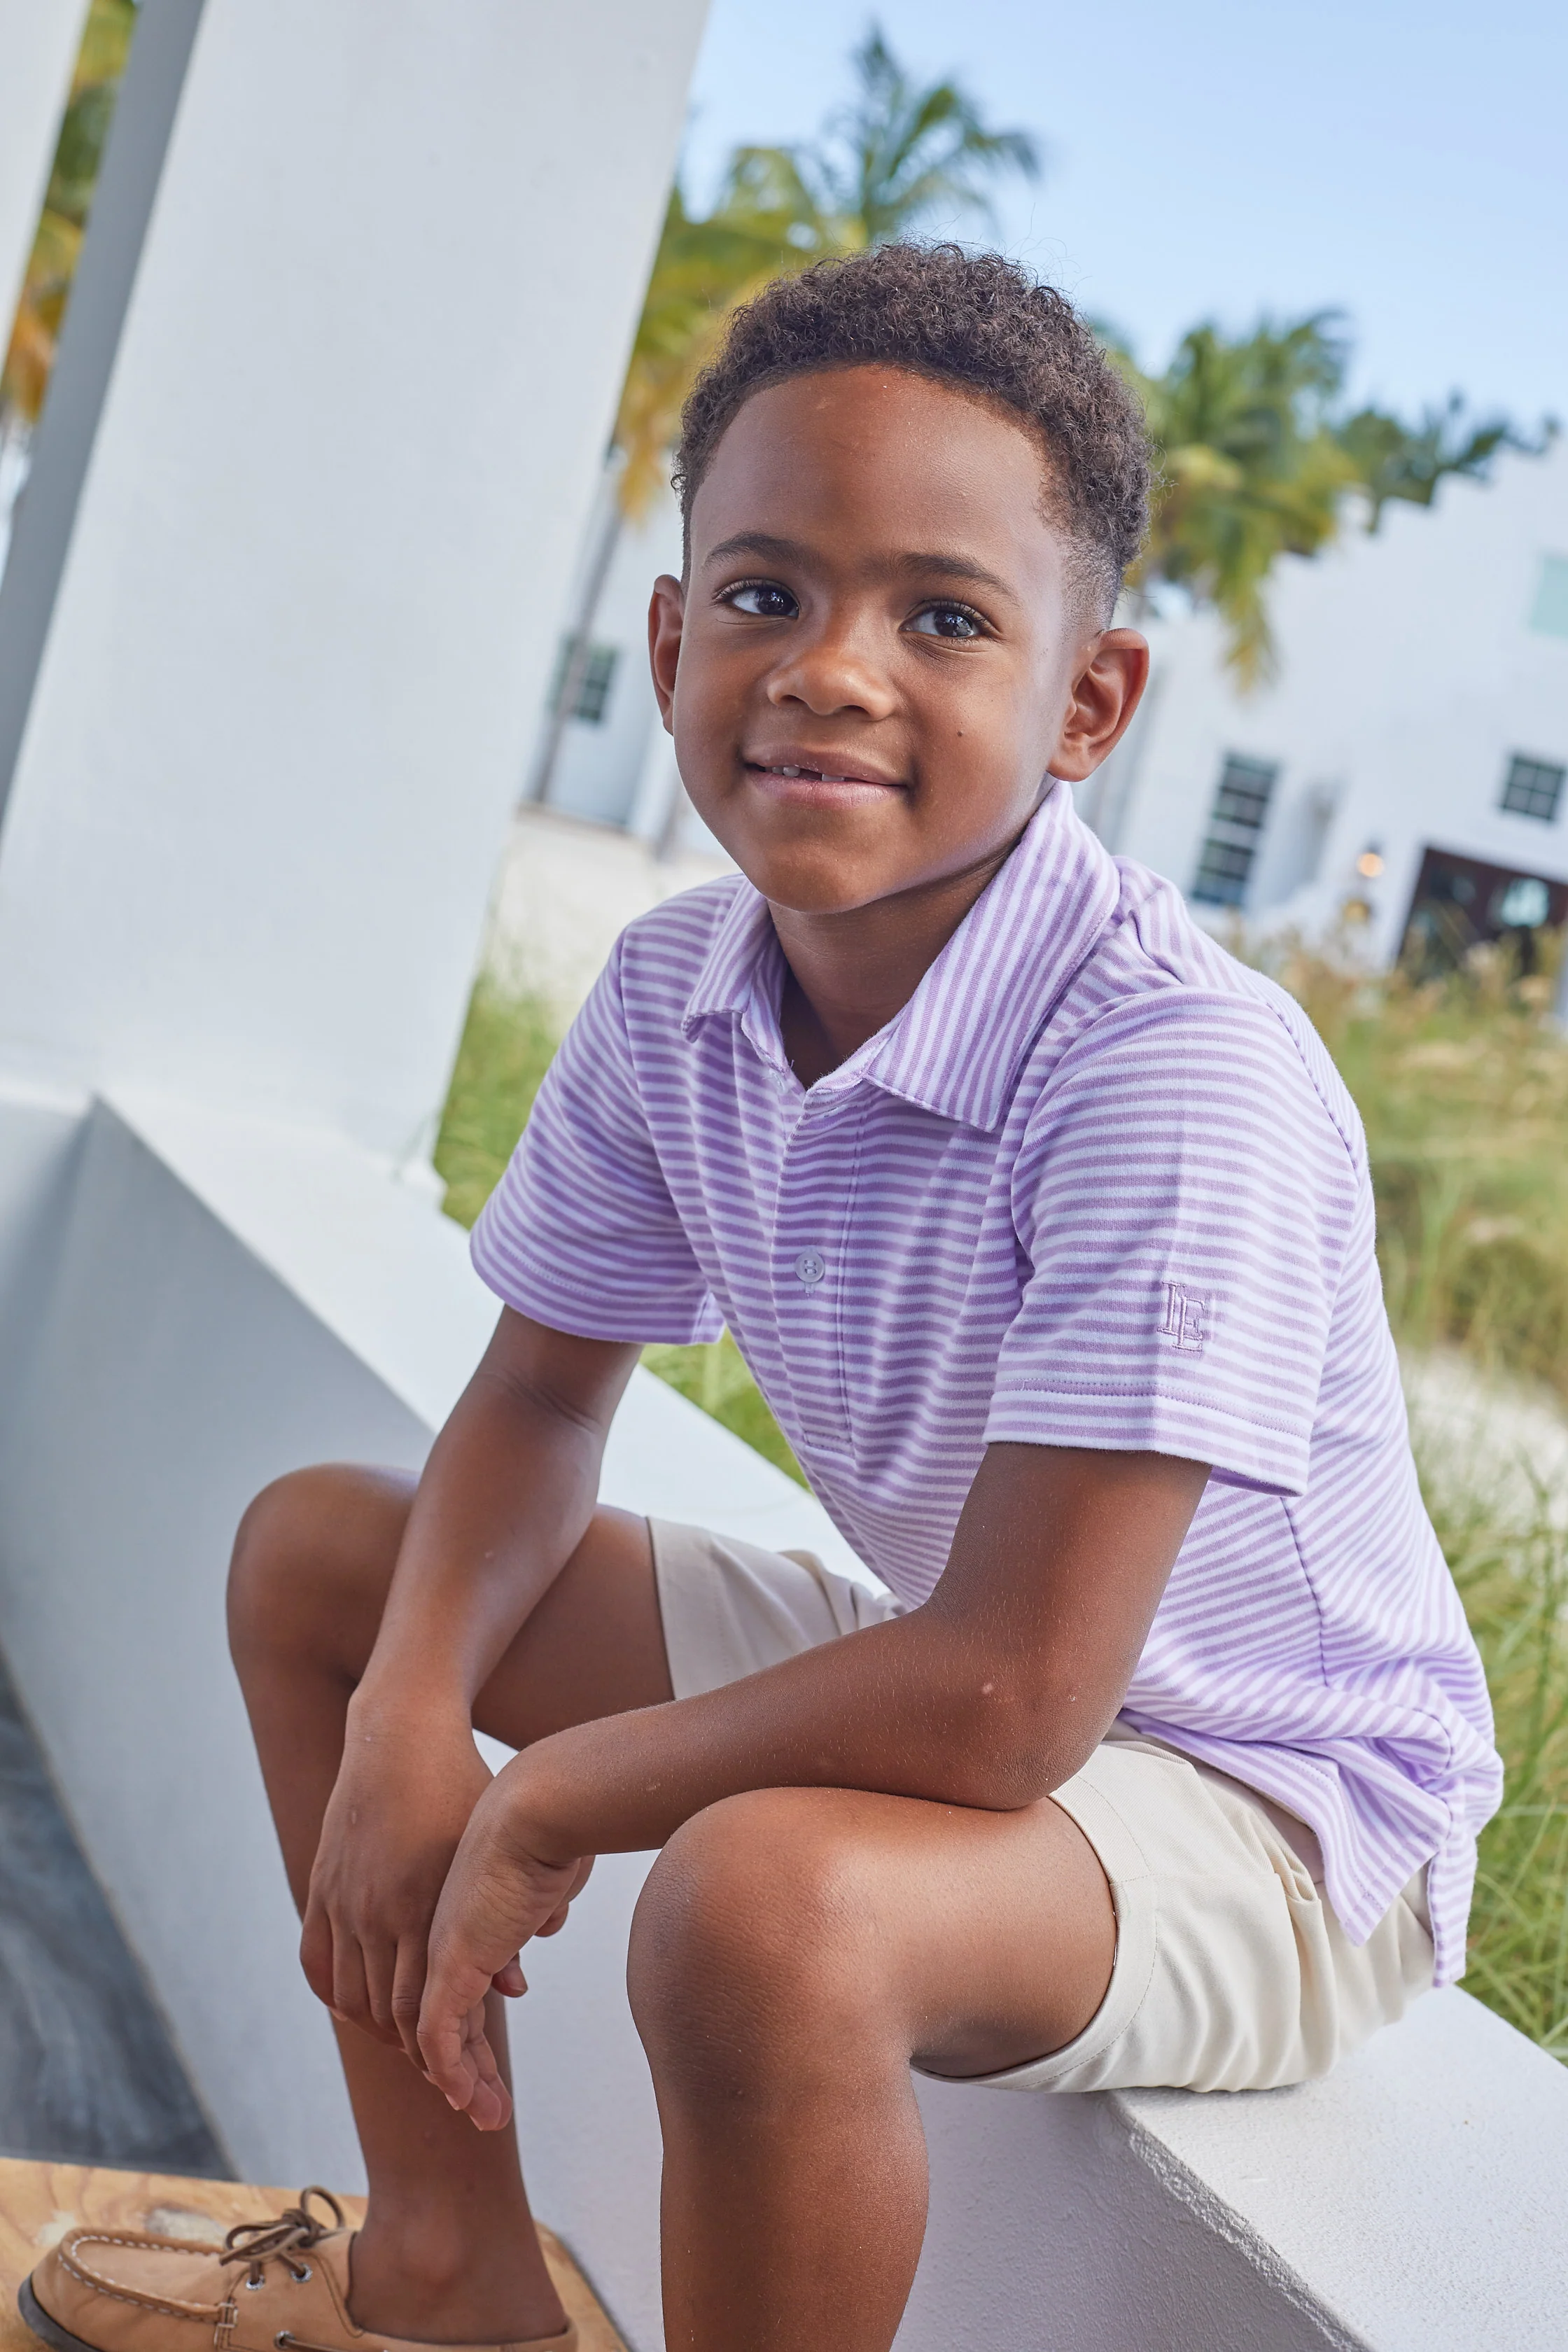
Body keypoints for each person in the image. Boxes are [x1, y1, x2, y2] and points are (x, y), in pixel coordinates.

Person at [24, 244, 1500, 2352]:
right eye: (765, 591)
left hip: (1272, 1806)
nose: (829, 667)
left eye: (946, 616)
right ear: (666, 634)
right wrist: (415, 1715)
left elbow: (1015, 1700)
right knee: (330, 1570)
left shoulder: (1177, 1068)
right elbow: (542, 1403)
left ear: (1091, 704)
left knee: (758, 1914)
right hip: (967, 1670)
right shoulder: (675, 995)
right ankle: (444, 2273)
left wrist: (541, 1794)